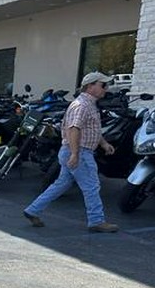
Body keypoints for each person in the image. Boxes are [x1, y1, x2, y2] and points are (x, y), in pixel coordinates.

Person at [23, 71, 119, 233]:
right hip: (79, 152)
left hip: (75, 151)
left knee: (61, 184)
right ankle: (96, 221)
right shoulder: (81, 106)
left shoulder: (87, 104)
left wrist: (103, 143)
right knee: (92, 186)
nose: (106, 88)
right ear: (90, 86)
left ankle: (33, 210)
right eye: (103, 85)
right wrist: (75, 154)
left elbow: (90, 128)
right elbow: (73, 129)